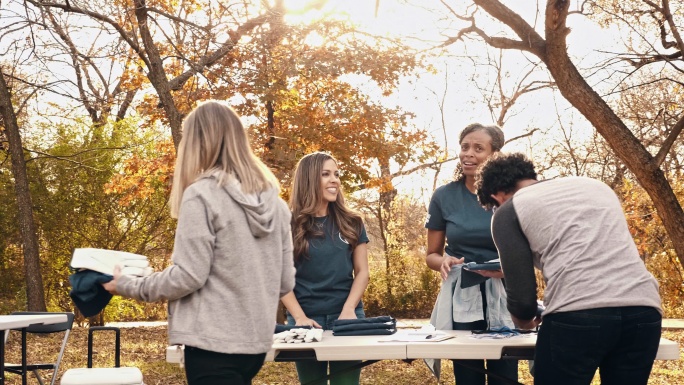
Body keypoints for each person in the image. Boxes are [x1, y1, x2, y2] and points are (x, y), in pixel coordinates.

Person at [103, 100, 296, 385]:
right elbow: (285, 282)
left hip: (212, 347)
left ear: (198, 142)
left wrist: (127, 284)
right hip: (254, 348)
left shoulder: (202, 195)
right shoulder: (276, 205)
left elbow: (187, 276)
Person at [476, 152, 663, 385]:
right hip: (643, 309)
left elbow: (522, 301)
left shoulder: (508, 211)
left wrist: (524, 322)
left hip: (578, 314)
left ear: (497, 197)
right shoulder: (595, 186)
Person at [424, 123, 518, 384]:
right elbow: (431, 254)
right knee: (467, 375)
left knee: (504, 375)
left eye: (478, 148)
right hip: (461, 296)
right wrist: (444, 261)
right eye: (465, 147)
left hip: (505, 294)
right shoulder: (444, 196)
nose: (469, 154)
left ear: (495, 155)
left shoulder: (511, 196)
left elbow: (529, 250)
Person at [281, 152, 370, 385]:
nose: (335, 180)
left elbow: (362, 272)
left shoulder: (353, 222)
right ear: (309, 179)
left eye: (336, 174)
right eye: (326, 174)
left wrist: (349, 310)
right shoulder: (288, 225)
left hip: (348, 318)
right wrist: (299, 317)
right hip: (305, 321)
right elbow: (280, 278)